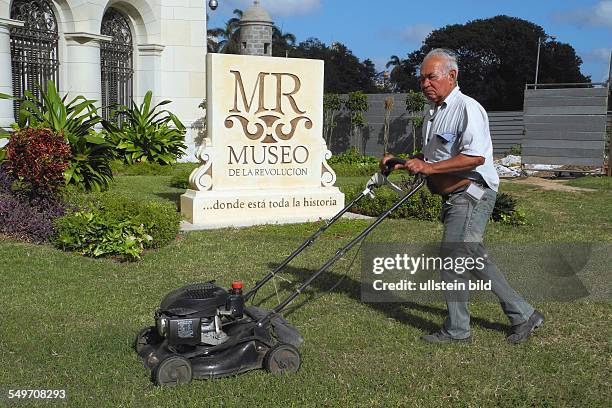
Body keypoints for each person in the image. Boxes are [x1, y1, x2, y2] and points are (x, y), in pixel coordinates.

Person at [381, 48, 543, 344]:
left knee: (453, 258)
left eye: (431, 77)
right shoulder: (435, 114)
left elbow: (475, 158)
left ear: (451, 75)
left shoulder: (467, 108)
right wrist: (403, 160)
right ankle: (524, 314)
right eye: (422, 80)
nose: (425, 84)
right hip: (456, 197)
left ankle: (458, 330)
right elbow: (434, 157)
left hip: (472, 194)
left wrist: (429, 167)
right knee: (474, 259)